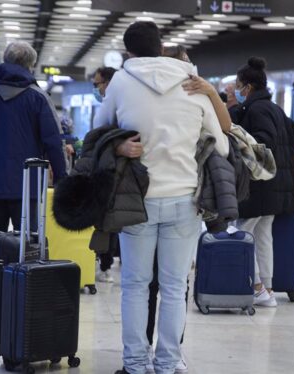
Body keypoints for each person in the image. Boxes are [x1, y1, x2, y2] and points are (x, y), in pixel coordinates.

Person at [94, 21, 229, 374]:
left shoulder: (121, 81)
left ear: (128, 52)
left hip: (136, 199)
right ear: (162, 47)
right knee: (173, 285)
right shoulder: (193, 83)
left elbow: (97, 131)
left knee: (135, 285)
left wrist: (121, 144)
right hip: (185, 199)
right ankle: (167, 364)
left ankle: (135, 365)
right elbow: (224, 144)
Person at [0, 41, 67, 236]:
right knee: (28, 241)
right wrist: (61, 177)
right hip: (28, 184)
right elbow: (54, 141)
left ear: (4, 61)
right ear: (30, 66)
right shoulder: (38, 97)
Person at [230, 57, 294, 308]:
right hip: (277, 186)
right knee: (262, 237)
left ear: (247, 88)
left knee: (243, 234)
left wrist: (242, 148)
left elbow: (263, 141)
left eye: (238, 86)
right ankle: (267, 290)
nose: (237, 92)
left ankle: (256, 286)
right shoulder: (274, 109)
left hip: (259, 186)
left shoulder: (256, 109)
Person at [92, 66, 119, 284]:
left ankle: (106, 264)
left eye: (97, 83)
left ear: (108, 83)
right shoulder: (108, 105)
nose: (96, 88)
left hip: (112, 172)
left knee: (106, 222)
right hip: (109, 171)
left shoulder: (115, 105)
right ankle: (105, 262)